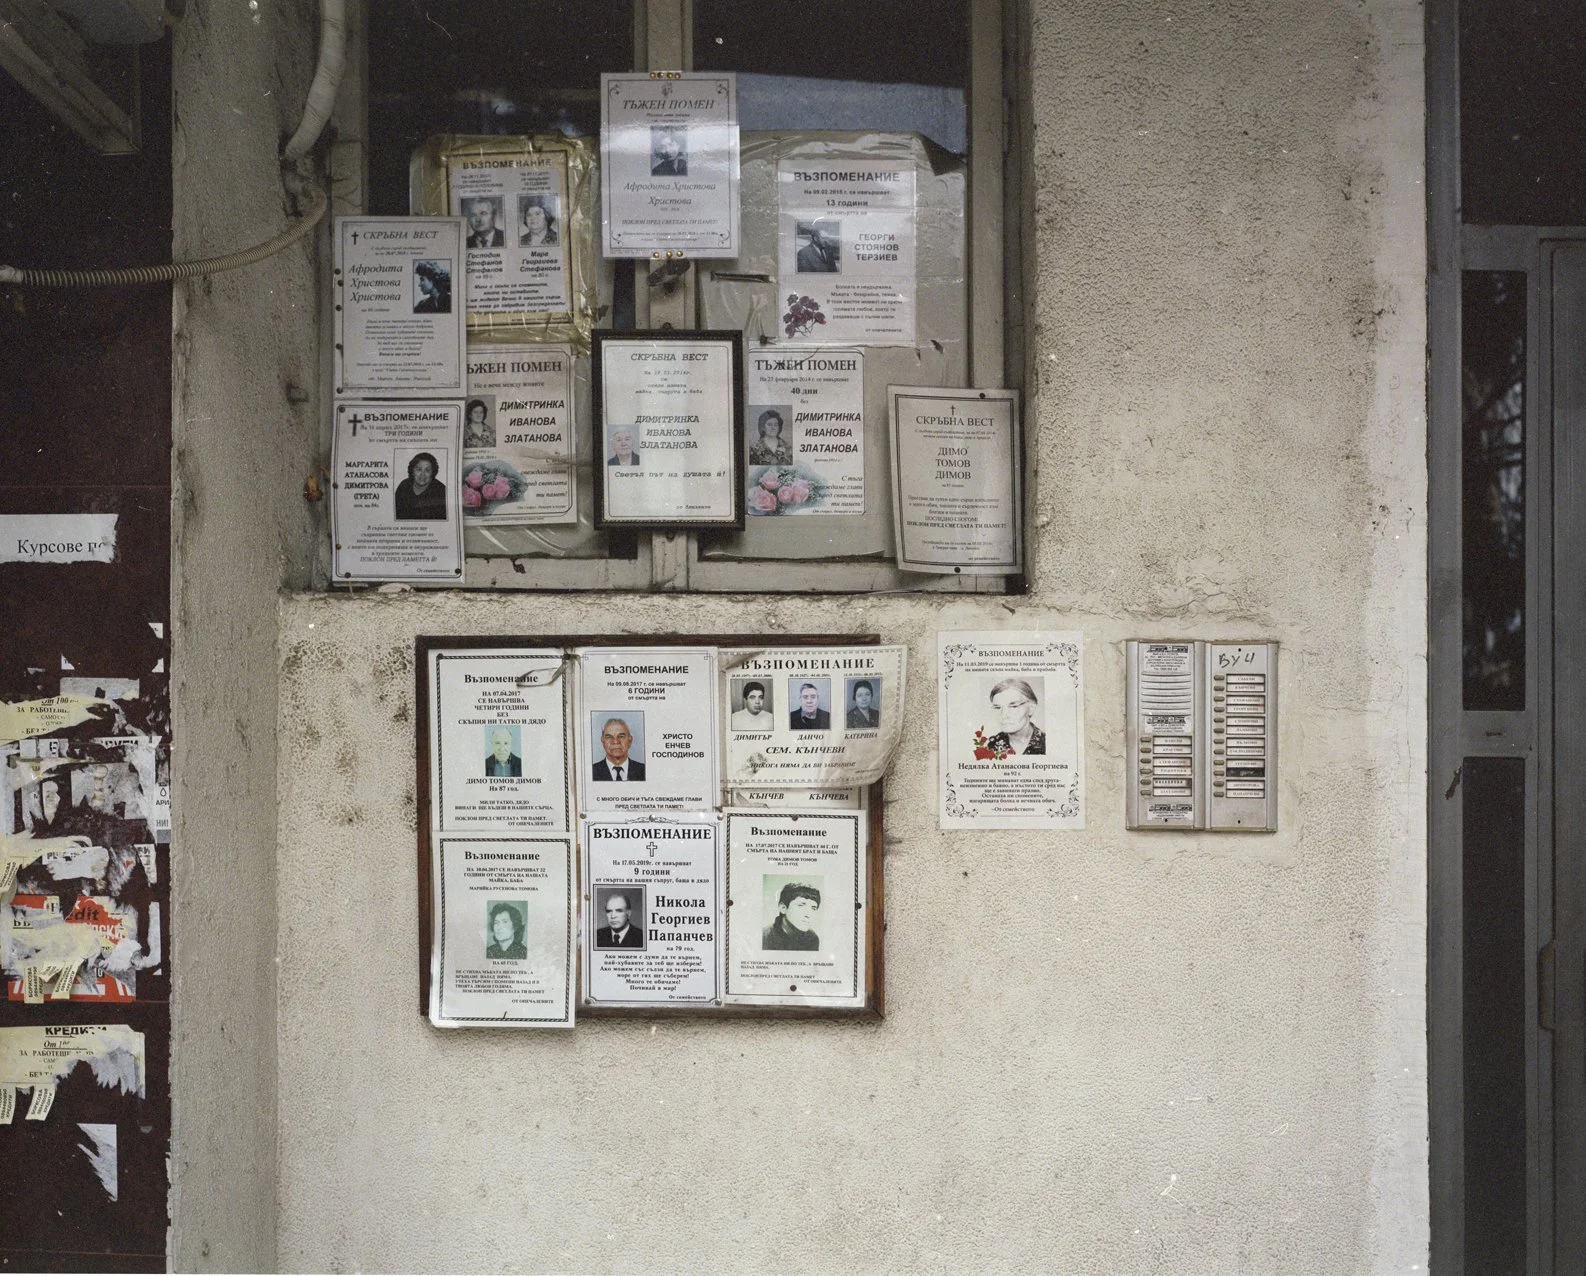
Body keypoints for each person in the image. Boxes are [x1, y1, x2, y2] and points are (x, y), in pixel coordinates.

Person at [986, 678, 1045, 755]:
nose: (1004, 715)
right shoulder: (991, 745)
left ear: (1031, 709)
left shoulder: (1047, 743)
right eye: (997, 707)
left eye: (1013, 706)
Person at [762, 882, 820, 951]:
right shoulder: (764, 937)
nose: (808, 915)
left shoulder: (812, 938)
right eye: (801, 905)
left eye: (813, 908)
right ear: (783, 908)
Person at [394, 452, 448, 520]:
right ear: (412, 471)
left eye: (427, 470)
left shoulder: (441, 491)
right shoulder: (404, 486)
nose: (422, 475)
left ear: (433, 472)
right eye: (419, 469)